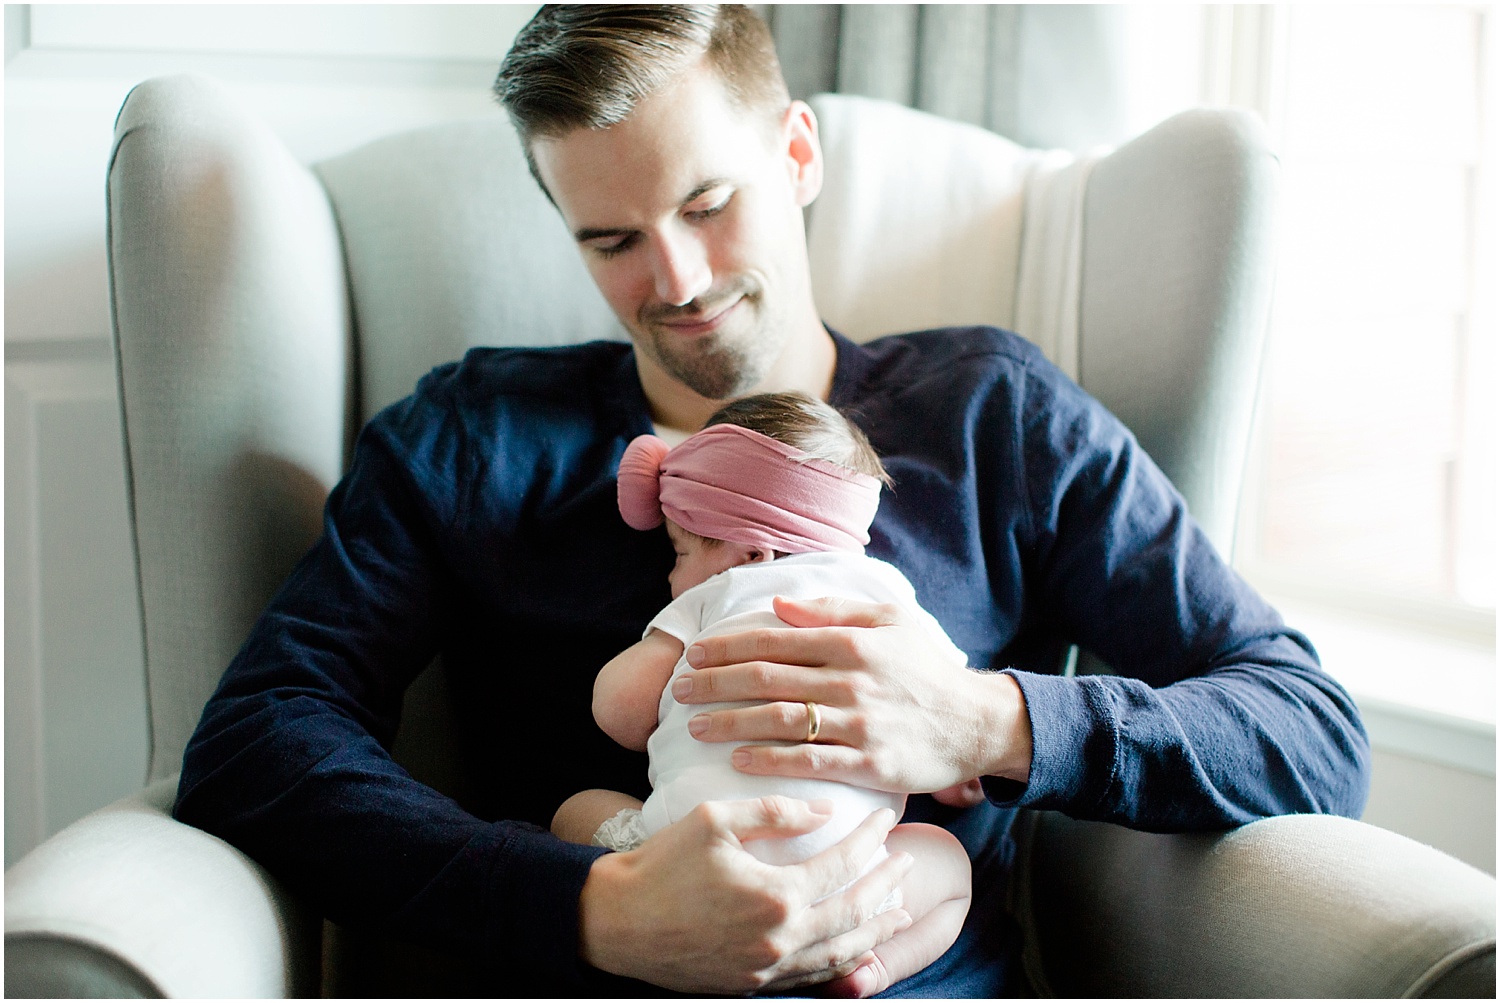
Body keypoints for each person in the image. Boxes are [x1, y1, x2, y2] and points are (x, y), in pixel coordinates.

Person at [173, 4, 1371, 996]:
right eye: (612, 238)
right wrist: (591, 906)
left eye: (707, 205)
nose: (677, 281)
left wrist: (982, 723)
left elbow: (1308, 729)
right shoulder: (471, 436)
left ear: (797, 155)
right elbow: (259, 737)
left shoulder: (990, 414)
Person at [552, 391, 976, 998]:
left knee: (578, 808)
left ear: (751, 552)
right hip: (848, 881)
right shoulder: (890, 598)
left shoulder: (710, 598)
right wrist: (963, 775)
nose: (672, 575)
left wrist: (648, 655)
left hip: (683, 864)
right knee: (947, 862)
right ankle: (872, 966)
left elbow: (618, 713)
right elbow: (951, 725)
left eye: (679, 552)